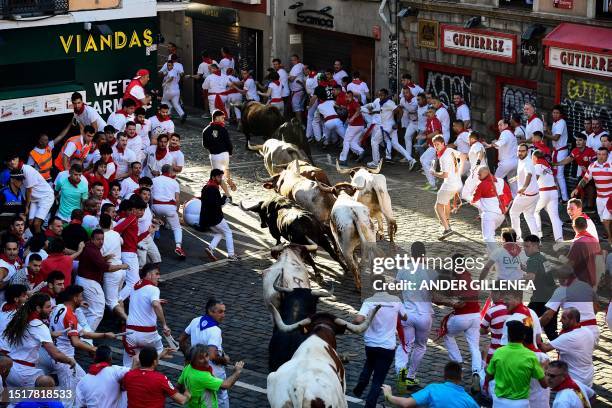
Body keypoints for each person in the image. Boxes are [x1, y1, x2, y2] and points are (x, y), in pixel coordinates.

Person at [49, 285, 116, 407]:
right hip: (65, 361)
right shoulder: (70, 316)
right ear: (75, 298)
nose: (82, 299)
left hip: (60, 357)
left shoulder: (59, 308)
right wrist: (93, 349)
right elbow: (75, 341)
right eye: (81, 296)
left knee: (83, 382)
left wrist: (105, 335)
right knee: (67, 398)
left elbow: (84, 334)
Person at [352, 279, 407, 408]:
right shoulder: (396, 300)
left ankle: (361, 385)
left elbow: (359, 319)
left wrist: (352, 323)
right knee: (378, 378)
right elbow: (405, 317)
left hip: (370, 344)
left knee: (369, 363)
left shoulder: (369, 301)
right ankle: (370, 405)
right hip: (387, 346)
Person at [3, 293, 76, 387]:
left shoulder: (21, 319)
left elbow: (29, 335)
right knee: (46, 389)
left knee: (14, 400)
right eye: (48, 307)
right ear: (38, 308)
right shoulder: (39, 326)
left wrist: (51, 334)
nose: (51, 309)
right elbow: (56, 355)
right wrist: (69, 361)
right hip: (25, 373)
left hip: (11, 370)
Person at [395, 242, 437, 387]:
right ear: (424, 255)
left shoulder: (403, 269)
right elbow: (434, 292)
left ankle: (401, 377)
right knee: (420, 346)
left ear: (411, 254)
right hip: (424, 315)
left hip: (407, 313)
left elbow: (397, 286)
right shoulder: (429, 271)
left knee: (405, 346)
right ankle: (411, 376)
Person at [437, 255, 481, 388]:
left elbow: (454, 300)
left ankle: (458, 363)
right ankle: (476, 373)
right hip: (476, 316)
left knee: (448, 334)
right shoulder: (468, 275)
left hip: (462, 317)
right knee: (474, 346)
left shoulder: (455, 277)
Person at [178, 299, 231, 407]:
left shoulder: (195, 321)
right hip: (213, 371)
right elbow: (212, 355)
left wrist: (189, 358)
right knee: (221, 398)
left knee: (198, 397)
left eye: (224, 311)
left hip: (195, 368)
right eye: (220, 312)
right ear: (210, 312)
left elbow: (181, 340)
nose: (223, 315)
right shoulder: (215, 330)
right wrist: (225, 359)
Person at [485, 320, 547, 407]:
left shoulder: (498, 352)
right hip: (521, 403)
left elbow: (489, 376)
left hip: (500, 402)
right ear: (524, 336)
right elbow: (544, 384)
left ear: (508, 336)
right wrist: (543, 367)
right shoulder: (530, 356)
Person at [123, 264, 173, 367]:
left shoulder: (134, 287)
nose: (159, 277)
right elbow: (155, 305)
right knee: (159, 351)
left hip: (130, 333)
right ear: (149, 275)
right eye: (157, 274)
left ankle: (130, 374)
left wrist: (155, 301)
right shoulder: (154, 289)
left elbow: (139, 300)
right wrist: (164, 325)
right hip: (147, 335)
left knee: (128, 364)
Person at [77, 229, 128, 330]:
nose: (101, 242)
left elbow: (95, 262)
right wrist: (122, 266)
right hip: (89, 282)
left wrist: (104, 258)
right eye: (98, 239)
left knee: (86, 308)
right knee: (98, 312)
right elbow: (107, 268)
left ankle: (80, 330)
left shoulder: (91, 248)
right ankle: (86, 336)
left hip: (85, 280)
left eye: (102, 239)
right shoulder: (93, 250)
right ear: (92, 239)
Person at [539, 264, 599, 344]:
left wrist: (536, 326)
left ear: (563, 279)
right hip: (593, 332)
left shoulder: (562, 290)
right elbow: (596, 308)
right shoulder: (587, 286)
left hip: (577, 334)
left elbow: (548, 316)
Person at [381, 361, 479, 408]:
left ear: (444, 375)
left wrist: (389, 395)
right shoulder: (469, 400)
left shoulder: (433, 389)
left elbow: (406, 403)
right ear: (461, 377)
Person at [538, 308, 595, 387]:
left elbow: (544, 348)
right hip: (587, 377)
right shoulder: (587, 331)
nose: (560, 320)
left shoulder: (568, 337)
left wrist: (536, 332)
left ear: (573, 320)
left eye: (564, 318)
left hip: (574, 380)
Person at [178, 344, 244, 408]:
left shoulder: (188, 368)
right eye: (201, 358)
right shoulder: (203, 376)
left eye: (206, 356)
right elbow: (226, 385)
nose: (206, 360)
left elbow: (179, 386)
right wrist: (237, 372)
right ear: (193, 361)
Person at [123, 346, 190, 407]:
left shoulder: (128, 375)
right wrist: (187, 394)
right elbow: (181, 400)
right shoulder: (160, 379)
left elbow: (124, 386)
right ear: (155, 362)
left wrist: (158, 356)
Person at [365, 88, 415, 169]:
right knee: (395, 144)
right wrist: (373, 112)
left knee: (374, 141)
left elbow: (400, 111)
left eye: (382, 95)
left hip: (387, 127)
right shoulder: (383, 103)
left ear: (386, 95)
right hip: (390, 127)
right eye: (379, 95)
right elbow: (383, 111)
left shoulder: (389, 103)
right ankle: (411, 159)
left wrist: (397, 123)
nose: (380, 97)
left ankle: (375, 162)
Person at [5, 154, 54, 234]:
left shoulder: (27, 169)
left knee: (36, 223)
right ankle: (35, 239)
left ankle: (39, 243)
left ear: (18, 158)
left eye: (13, 159)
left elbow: (29, 191)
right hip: (34, 199)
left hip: (45, 197)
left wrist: (27, 207)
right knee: (31, 222)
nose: (12, 162)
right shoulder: (15, 175)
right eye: (9, 161)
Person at [572, 147, 612, 243]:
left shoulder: (611, 165)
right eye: (599, 154)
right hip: (600, 198)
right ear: (597, 155)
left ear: (607, 155)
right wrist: (577, 189)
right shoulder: (592, 166)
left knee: (606, 219)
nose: (601, 156)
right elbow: (585, 179)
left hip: (610, 197)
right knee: (603, 219)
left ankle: (610, 239)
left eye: (604, 154)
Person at [523, 234, 558, 341]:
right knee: (550, 330)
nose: (525, 249)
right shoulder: (542, 257)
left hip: (540, 298)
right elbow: (543, 272)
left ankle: (534, 344)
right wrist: (526, 269)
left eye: (527, 246)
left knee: (526, 322)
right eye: (524, 246)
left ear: (535, 246)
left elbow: (531, 278)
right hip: (552, 296)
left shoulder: (532, 260)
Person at [115, 197, 150, 301]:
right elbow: (116, 230)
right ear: (133, 209)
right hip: (129, 254)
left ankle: (136, 303)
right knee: (132, 283)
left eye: (143, 210)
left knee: (136, 281)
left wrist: (148, 232)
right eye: (139, 209)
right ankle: (117, 302)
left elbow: (135, 240)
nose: (142, 212)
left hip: (130, 253)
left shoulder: (134, 219)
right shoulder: (132, 218)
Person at [200, 169, 238, 261]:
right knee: (228, 232)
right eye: (219, 177)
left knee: (220, 233)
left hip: (206, 218)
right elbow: (218, 204)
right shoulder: (214, 189)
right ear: (213, 177)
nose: (221, 179)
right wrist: (225, 197)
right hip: (215, 217)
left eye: (221, 177)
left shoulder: (206, 187)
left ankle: (210, 248)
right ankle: (231, 255)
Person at [432, 135, 462, 238]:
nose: (436, 147)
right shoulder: (450, 150)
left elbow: (445, 175)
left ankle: (447, 229)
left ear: (443, 143)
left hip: (449, 184)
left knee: (438, 206)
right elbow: (462, 156)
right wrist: (458, 171)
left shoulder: (443, 157)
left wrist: (434, 173)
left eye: (438, 144)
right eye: (434, 145)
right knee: (446, 202)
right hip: (457, 183)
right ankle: (447, 222)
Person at [151, 165, 185, 258]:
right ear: (170, 172)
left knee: (155, 224)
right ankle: (178, 247)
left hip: (156, 206)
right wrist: (176, 211)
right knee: (177, 228)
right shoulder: (174, 182)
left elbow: (150, 195)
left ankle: (151, 245)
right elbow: (177, 199)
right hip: (169, 207)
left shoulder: (154, 180)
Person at [99, 213, 128, 321]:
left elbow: (99, 257)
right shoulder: (115, 234)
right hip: (121, 271)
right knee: (117, 297)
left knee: (111, 301)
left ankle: (127, 320)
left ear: (100, 223)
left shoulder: (100, 237)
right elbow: (122, 242)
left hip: (111, 272)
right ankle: (122, 322)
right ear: (111, 223)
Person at [471, 167, 512, 243]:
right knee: (490, 235)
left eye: (479, 175)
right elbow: (509, 197)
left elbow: (474, 199)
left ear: (486, 174)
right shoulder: (501, 181)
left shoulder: (481, 184)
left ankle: (495, 254)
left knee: (488, 238)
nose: (478, 177)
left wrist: (472, 201)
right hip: (501, 216)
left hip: (489, 215)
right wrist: (506, 207)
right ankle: (493, 252)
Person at [202, 110, 235, 198]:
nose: (223, 119)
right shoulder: (223, 129)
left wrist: (212, 148)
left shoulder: (206, 130)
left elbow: (205, 145)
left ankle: (228, 195)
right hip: (225, 154)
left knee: (218, 176)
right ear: (216, 118)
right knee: (226, 169)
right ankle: (229, 181)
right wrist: (230, 152)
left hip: (215, 155)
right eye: (222, 117)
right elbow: (228, 142)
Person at [532, 149, 563, 242]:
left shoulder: (537, 166)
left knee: (534, 211)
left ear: (535, 157)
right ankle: (559, 239)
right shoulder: (547, 166)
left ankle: (537, 236)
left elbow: (534, 181)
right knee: (554, 217)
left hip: (544, 193)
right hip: (553, 192)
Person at [509, 143, 539, 239]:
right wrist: (516, 178)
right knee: (529, 216)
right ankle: (536, 238)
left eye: (523, 151)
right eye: (519, 151)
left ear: (527, 151)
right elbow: (524, 173)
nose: (520, 153)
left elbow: (529, 174)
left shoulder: (527, 162)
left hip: (526, 195)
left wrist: (524, 187)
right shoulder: (522, 161)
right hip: (534, 195)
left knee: (513, 213)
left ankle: (517, 237)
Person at [485, 119, 518, 195]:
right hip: (515, 162)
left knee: (495, 180)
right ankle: (515, 199)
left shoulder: (505, 132)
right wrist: (495, 143)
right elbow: (502, 143)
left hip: (506, 163)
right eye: (498, 125)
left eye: (501, 125)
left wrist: (488, 145)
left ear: (506, 125)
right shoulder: (511, 133)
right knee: (513, 182)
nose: (499, 127)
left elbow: (500, 143)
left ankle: (493, 198)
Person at [566, 216, 601, 288]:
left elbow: (569, 263)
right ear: (586, 226)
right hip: (595, 279)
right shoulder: (595, 240)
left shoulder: (578, 243)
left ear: (574, 227)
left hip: (582, 281)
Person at [545, 105, 569, 201]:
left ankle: (565, 198)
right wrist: (547, 129)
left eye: (557, 113)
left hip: (561, 151)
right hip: (556, 151)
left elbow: (556, 138)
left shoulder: (562, 122)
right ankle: (558, 195)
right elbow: (553, 135)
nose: (555, 114)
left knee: (559, 175)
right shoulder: (555, 123)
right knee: (554, 175)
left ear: (561, 114)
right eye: (554, 112)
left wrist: (544, 135)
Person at [480, 288, 509, 363]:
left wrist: (490, 329)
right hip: (512, 352)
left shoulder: (491, 310)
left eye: (492, 292)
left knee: (485, 350)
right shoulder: (521, 311)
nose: (491, 295)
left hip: (495, 352)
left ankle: (483, 369)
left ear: (499, 293)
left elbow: (481, 331)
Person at [339, 91, 366, 165]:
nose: (346, 98)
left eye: (347, 96)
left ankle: (343, 159)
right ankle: (360, 151)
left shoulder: (354, 103)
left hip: (355, 125)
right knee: (352, 142)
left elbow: (358, 110)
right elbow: (350, 112)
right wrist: (349, 118)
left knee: (346, 141)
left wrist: (352, 118)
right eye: (346, 96)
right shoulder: (349, 103)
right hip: (360, 126)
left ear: (351, 96)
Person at [461, 132, 486, 201]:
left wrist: (477, 164)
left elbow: (480, 154)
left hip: (477, 172)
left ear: (472, 139)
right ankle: (481, 208)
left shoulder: (476, 145)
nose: (468, 140)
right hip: (480, 171)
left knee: (465, 194)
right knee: (478, 192)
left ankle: (479, 204)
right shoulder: (477, 145)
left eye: (468, 139)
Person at [288, 54, 305, 123]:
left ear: (298, 60)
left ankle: (299, 125)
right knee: (300, 108)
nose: (292, 61)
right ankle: (301, 124)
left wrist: (287, 76)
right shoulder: (301, 65)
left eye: (294, 60)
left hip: (297, 91)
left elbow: (291, 79)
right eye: (291, 60)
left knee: (297, 109)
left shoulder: (297, 67)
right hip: (301, 90)